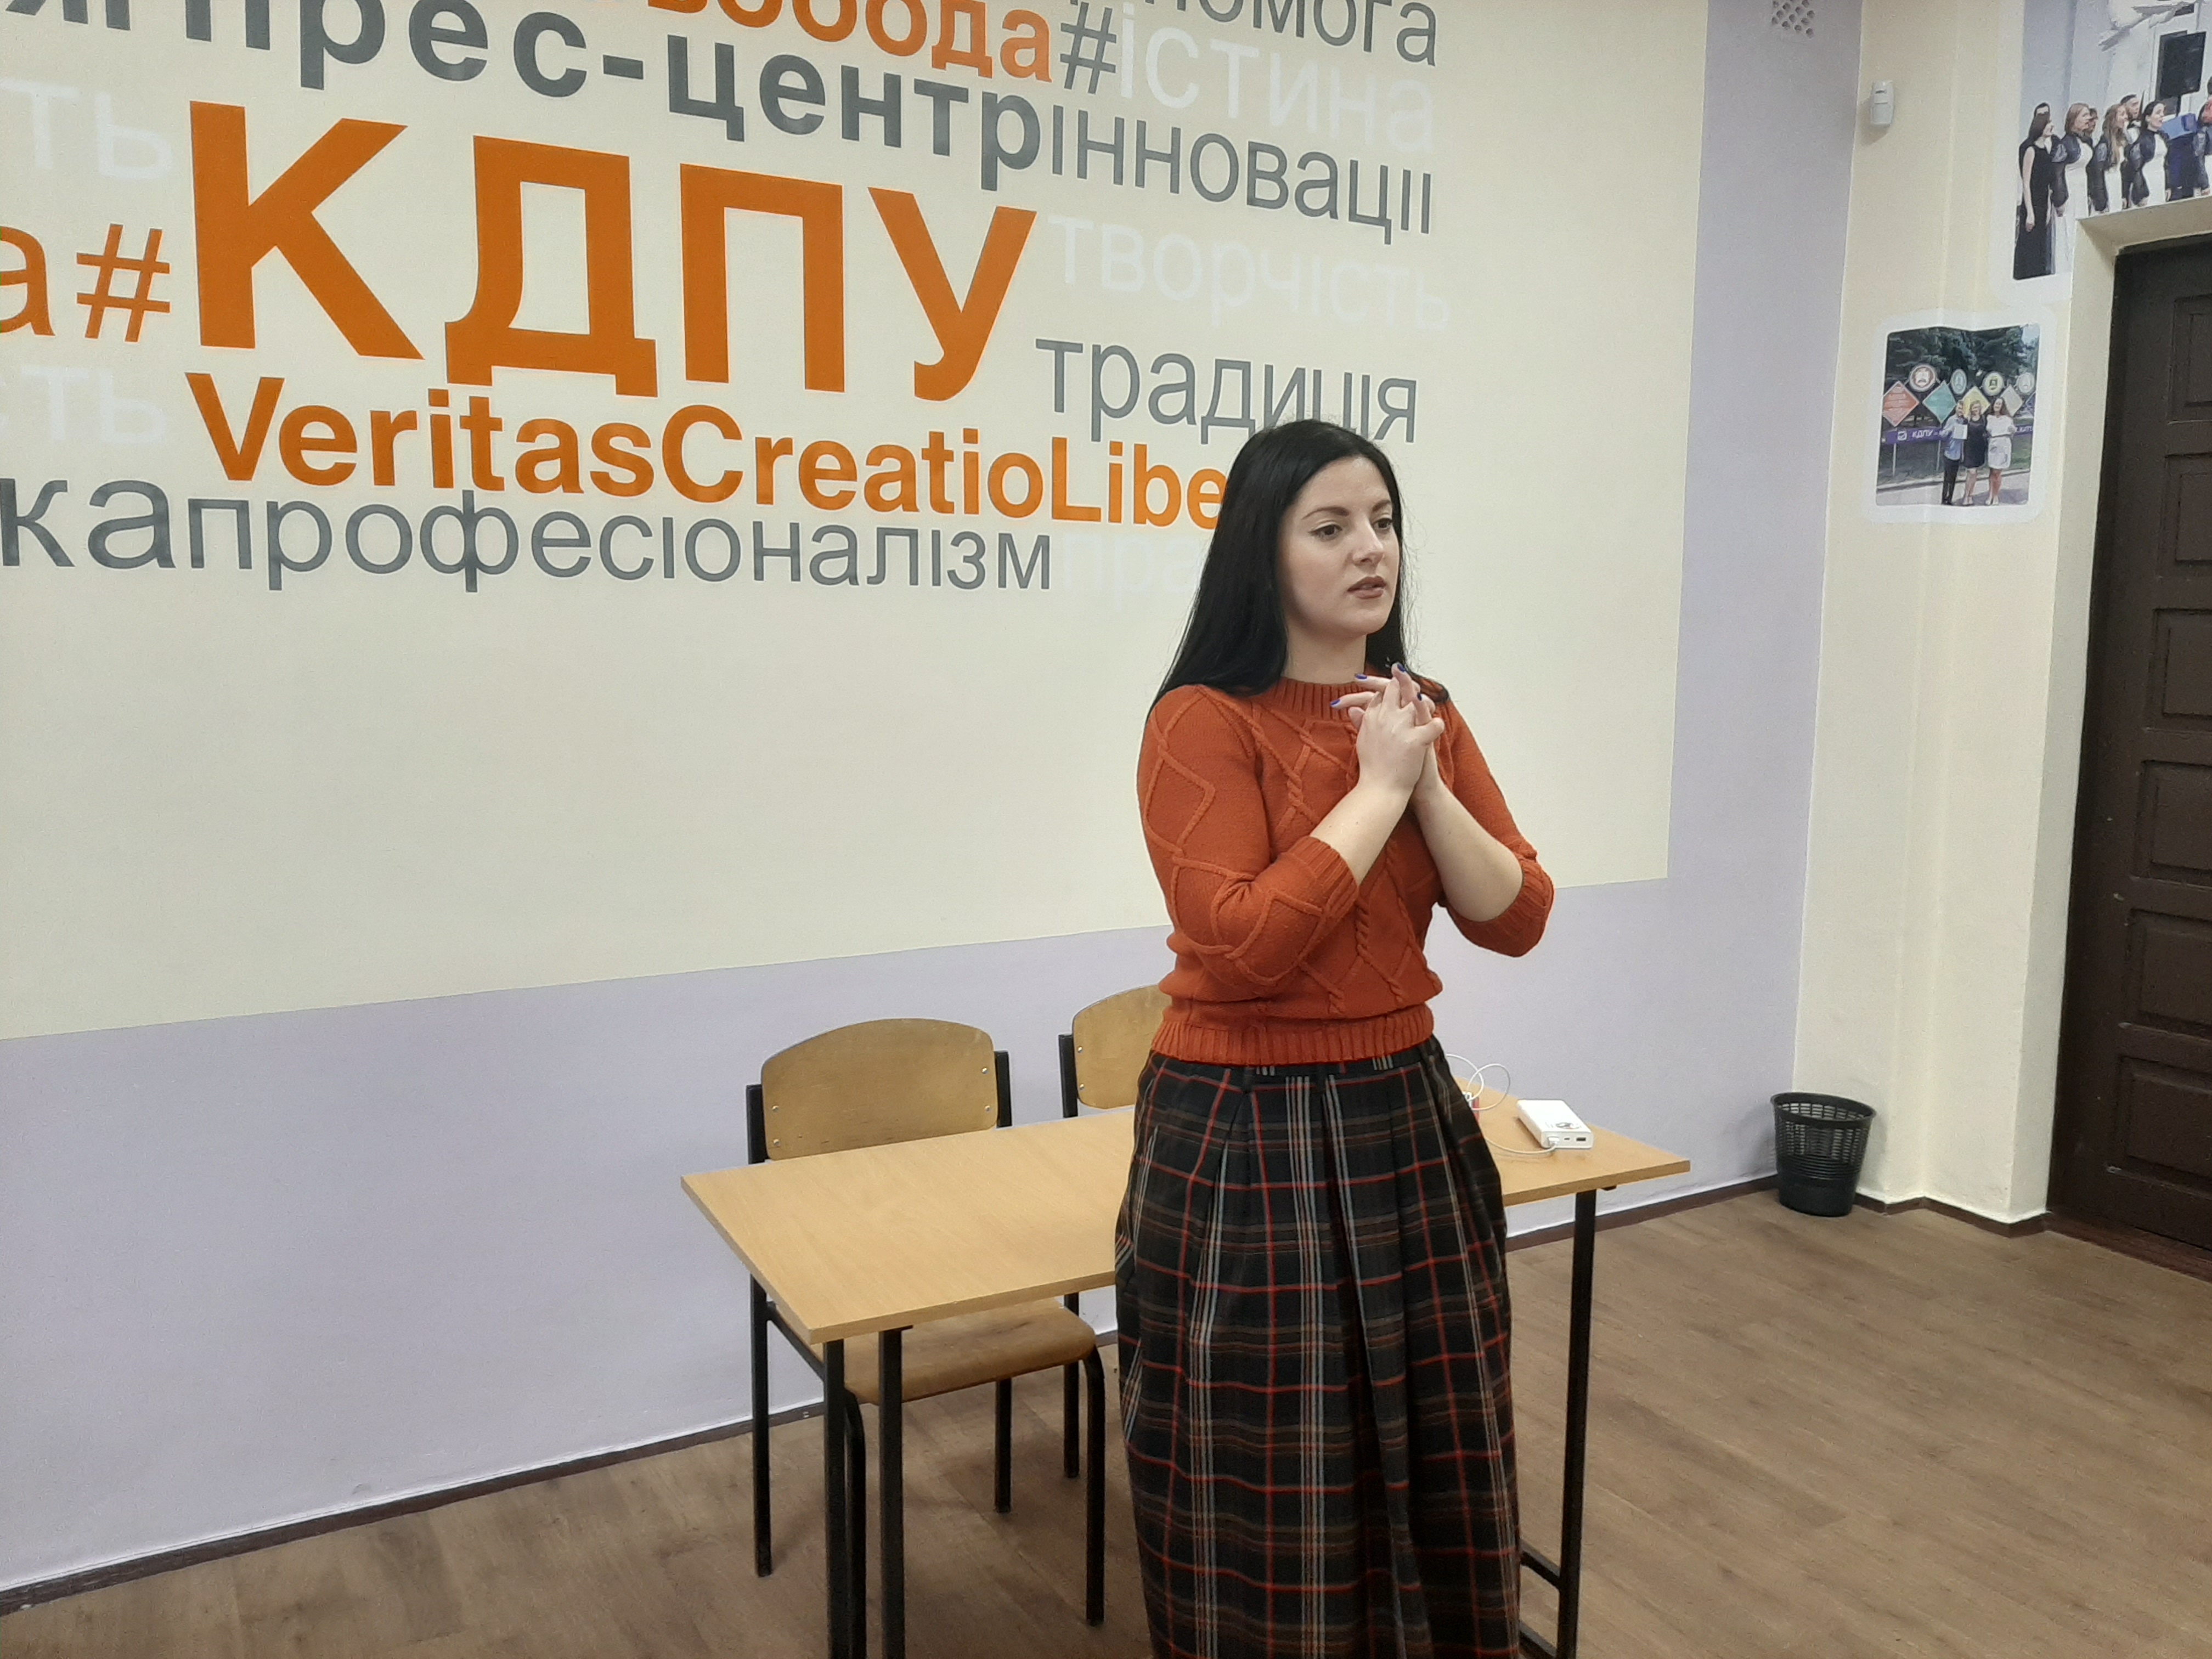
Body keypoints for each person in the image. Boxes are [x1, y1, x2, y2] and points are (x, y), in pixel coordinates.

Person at [1121, 419, 1552, 1659]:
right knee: (1271, 1471)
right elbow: (1244, 945)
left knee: (1438, 1435)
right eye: (1331, 527)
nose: (1372, 549)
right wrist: (1374, 790)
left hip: (1403, 1104)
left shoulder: (1424, 716)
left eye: (1384, 521)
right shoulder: (1199, 719)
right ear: (1262, 554)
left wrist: (1423, 778)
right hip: (1243, 1128)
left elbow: (1516, 914)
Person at [2015, 104, 2058, 278]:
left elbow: (2047, 184)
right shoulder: (2030, 150)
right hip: (2032, 203)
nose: (2052, 126)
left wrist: (2047, 209)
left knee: (2040, 244)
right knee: (2029, 244)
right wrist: (2030, 213)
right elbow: (2026, 183)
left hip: (2042, 204)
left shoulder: (2045, 150)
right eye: (2048, 123)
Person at [2064, 101, 2105, 215]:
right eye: (2085, 115)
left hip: (2083, 185)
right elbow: (2058, 171)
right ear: (2074, 119)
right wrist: (2060, 198)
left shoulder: (2086, 141)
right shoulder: (2065, 144)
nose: (2089, 118)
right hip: (2070, 186)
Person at [1984, 402, 2018, 505]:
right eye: (1996, 404)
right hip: (1993, 443)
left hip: (2004, 444)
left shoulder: (2007, 419)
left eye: (1999, 404)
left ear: (2002, 406)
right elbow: (1988, 430)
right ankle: (1990, 494)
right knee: (1992, 471)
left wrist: (2013, 430)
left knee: (1998, 472)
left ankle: (1996, 495)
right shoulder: (1989, 418)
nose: (1997, 406)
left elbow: (2013, 430)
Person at [1960, 404, 1991, 505]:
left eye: (1978, 407)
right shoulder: (1967, 419)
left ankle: (1970, 495)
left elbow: (1988, 432)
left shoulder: (1984, 419)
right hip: (1969, 447)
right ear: (1971, 409)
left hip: (1980, 447)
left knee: (1975, 473)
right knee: (1971, 472)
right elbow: (1962, 434)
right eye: (1974, 407)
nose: (1976, 409)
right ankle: (1966, 496)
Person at [1939, 407, 1969, 505]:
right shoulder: (1951, 420)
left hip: (1958, 454)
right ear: (1956, 409)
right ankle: (1944, 499)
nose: (1961, 411)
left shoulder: (1965, 421)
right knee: (1947, 478)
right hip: (1949, 453)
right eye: (1960, 409)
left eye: (1963, 409)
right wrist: (1950, 430)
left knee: (1953, 478)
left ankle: (1950, 499)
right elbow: (1942, 434)